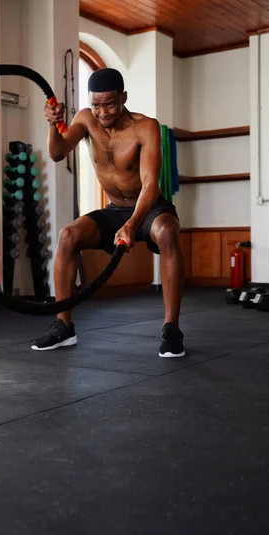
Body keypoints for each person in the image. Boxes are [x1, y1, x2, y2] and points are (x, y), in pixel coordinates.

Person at [31, 67, 185, 358]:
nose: (103, 112)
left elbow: (151, 183)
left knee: (166, 233)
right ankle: (63, 327)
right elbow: (57, 152)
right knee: (67, 236)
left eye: (110, 103)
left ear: (124, 97)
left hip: (150, 207)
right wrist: (53, 125)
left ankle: (172, 329)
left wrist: (133, 223)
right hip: (114, 209)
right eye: (96, 104)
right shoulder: (87, 120)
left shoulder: (146, 127)